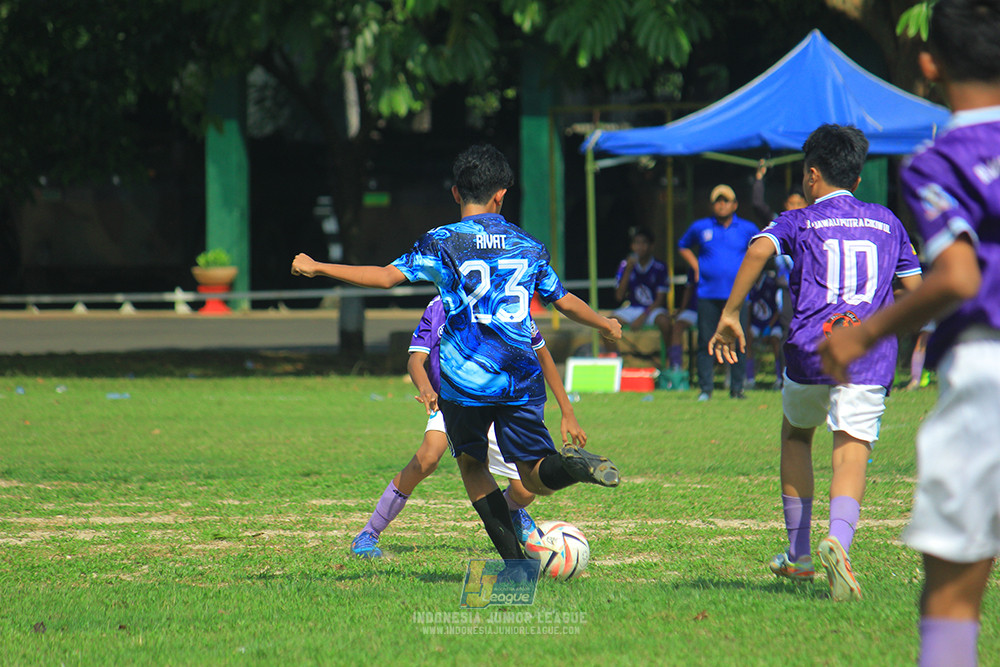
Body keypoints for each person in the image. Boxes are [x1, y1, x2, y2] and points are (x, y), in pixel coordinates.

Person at [292, 144, 623, 562]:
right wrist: (605, 324)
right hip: (521, 377)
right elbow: (564, 300)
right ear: (501, 194)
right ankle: (572, 468)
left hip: (465, 381)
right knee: (534, 477)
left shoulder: (442, 241)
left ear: (455, 193)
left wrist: (319, 266)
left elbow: (384, 278)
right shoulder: (529, 244)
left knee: (471, 464)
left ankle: (515, 565)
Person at [820, 1, 1000, 660]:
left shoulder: (939, 158)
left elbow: (954, 275)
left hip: (987, 370)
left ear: (929, 64)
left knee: (953, 591)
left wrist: (864, 336)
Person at [707, 124, 922, 602]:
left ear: (811, 175)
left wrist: (730, 312)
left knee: (796, 435)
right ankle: (838, 542)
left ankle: (800, 554)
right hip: (867, 352)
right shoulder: (889, 221)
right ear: (858, 179)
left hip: (810, 348)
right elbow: (914, 290)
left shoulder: (799, 220)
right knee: (851, 448)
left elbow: (759, 247)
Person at [351, 295, 586, 558]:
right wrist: (426, 387)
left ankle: (508, 512)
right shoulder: (438, 306)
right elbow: (416, 360)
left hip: (500, 404)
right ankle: (369, 533)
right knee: (427, 457)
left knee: (524, 491)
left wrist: (568, 410)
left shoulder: (505, 299)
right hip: (453, 404)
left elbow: (541, 354)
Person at [678, 184, 760, 400]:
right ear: (712, 205)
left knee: (739, 340)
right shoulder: (700, 227)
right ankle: (706, 389)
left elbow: (760, 251)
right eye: (717, 201)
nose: (721, 205)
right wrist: (695, 266)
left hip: (738, 296)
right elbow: (683, 245)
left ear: (735, 204)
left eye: (726, 201)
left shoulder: (747, 228)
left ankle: (737, 388)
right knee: (706, 340)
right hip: (707, 293)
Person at [607, 227, 672, 356]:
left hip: (653, 310)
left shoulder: (660, 267)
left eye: (644, 243)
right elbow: (619, 296)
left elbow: (660, 300)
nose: (640, 247)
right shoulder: (625, 265)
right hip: (633, 308)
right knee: (607, 324)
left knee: (665, 323)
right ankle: (615, 361)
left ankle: (671, 361)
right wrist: (628, 270)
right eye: (636, 243)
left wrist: (642, 317)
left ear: (651, 246)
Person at [746, 263, 784, 389]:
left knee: (776, 341)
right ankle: (750, 378)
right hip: (757, 323)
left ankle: (779, 378)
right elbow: (749, 307)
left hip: (772, 323)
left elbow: (780, 308)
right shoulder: (749, 284)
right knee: (747, 339)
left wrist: (769, 326)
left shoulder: (771, 284)